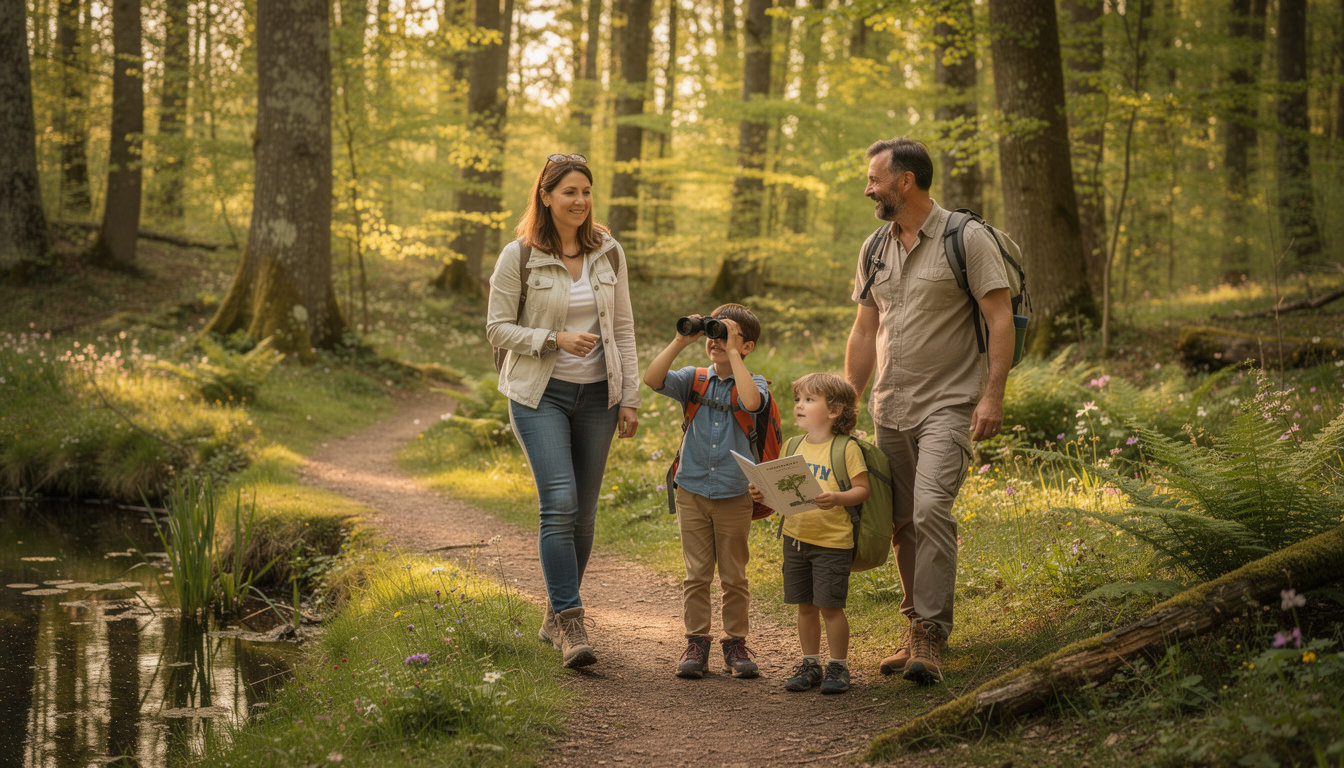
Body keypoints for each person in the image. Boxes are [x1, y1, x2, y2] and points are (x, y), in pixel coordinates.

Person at [844, 138, 1014, 685]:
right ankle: (915, 624)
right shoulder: (875, 248)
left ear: (906, 181)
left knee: (930, 509)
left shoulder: (967, 239)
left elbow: (1000, 318)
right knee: (901, 521)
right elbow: (865, 329)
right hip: (889, 406)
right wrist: (849, 398)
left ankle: (931, 634)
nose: (868, 189)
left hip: (949, 403)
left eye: (874, 179)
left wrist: (993, 394)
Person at [485, 153, 640, 669]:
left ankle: (554, 615)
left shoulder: (609, 252)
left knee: (585, 513)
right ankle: (573, 622)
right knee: (560, 502)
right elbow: (497, 328)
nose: (580, 201)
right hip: (539, 394)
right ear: (546, 196)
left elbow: (623, 329)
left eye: (586, 192)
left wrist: (630, 396)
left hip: (598, 396)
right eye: (569, 192)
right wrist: (554, 338)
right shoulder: (519, 256)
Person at [643, 303, 768, 680]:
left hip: (734, 492)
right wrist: (681, 341)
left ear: (747, 346)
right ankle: (696, 641)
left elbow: (751, 403)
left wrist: (732, 353)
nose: (716, 340)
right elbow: (652, 379)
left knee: (734, 576)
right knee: (696, 575)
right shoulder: (693, 379)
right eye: (713, 333)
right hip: (692, 489)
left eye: (726, 335)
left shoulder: (755, 382)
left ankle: (735, 643)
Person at [749, 373, 869, 695]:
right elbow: (782, 492)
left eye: (809, 400)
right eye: (798, 400)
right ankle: (810, 664)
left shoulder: (846, 448)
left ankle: (838, 666)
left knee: (830, 607)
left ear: (834, 411)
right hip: (796, 538)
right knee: (804, 606)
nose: (799, 406)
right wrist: (762, 493)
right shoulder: (792, 445)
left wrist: (838, 498)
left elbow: (862, 489)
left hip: (832, 542)